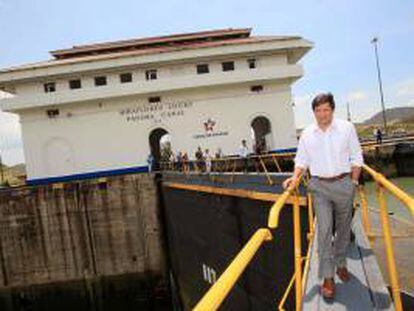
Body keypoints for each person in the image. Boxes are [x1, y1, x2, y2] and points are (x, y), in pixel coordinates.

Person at [282, 93, 363, 301]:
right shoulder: (308, 134)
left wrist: (353, 182)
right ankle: (328, 277)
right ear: (314, 112)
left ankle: (341, 264)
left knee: (343, 228)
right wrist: (294, 177)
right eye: (318, 110)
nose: (322, 114)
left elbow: (356, 157)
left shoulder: (347, 128)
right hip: (319, 186)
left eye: (325, 109)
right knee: (324, 230)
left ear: (332, 110)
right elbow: (302, 160)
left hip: (344, 183)